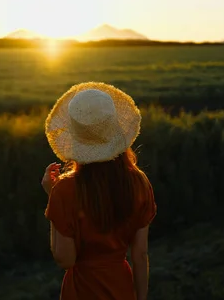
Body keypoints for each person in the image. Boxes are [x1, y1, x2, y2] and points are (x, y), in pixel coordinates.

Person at [41, 82, 157, 300]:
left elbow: (65, 260)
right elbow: (140, 255)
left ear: (76, 136)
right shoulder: (139, 183)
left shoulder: (64, 190)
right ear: (114, 129)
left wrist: (53, 198)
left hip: (82, 291)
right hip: (120, 288)